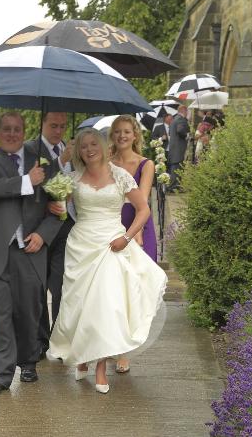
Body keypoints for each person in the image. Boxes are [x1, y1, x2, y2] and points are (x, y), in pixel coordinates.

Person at [49, 128, 168, 394]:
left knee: (104, 305)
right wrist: (57, 190)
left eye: (93, 144)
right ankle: (81, 357)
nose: (89, 149)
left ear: (103, 147)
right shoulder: (72, 176)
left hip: (112, 245)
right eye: (83, 146)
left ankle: (101, 366)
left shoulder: (120, 175)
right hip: (81, 245)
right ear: (78, 151)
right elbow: (51, 200)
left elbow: (144, 209)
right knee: (80, 306)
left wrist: (126, 238)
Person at [0, 111, 62, 397]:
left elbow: (59, 209)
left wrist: (44, 234)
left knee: (28, 312)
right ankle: (0, 376)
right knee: (0, 315)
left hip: (30, 250)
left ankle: (28, 361)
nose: (12, 134)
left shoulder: (44, 164)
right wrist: (27, 181)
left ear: (25, 133)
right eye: (7, 129)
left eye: (17, 129)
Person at [109, 115, 158, 375]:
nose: (122, 136)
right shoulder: (106, 163)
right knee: (114, 289)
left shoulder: (145, 164)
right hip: (112, 226)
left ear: (135, 135)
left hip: (137, 226)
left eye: (127, 131)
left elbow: (143, 200)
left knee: (134, 290)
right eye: (117, 132)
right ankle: (114, 346)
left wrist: (135, 233)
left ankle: (125, 349)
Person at [25, 112, 75, 355]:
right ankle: (38, 340)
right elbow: (28, 190)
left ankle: (58, 339)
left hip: (65, 227)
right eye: (53, 126)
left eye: (63, 126)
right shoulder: (29, 150)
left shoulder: (71, 148)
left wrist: (67, 196)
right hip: (38, 229)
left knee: (60, 285)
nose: (58, 131)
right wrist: (46, 204)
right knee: (37, 286)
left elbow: (72, 187)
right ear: (42, 124)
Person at [167, 105, 190, 193]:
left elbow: (170, 132)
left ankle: (175, 186)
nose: (188, 113)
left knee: (176, 168)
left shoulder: (174, 119)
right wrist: (186, 135)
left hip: (174, 147)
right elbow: (180, 130)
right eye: (187, 111)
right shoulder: (181, 119)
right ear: (184, 111)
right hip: (178, 148)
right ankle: (174, 187)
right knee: (177, 168)